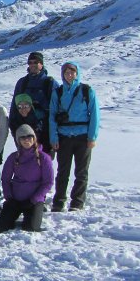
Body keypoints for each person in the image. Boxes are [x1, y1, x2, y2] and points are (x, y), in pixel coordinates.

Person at [49, 61, 100, 212]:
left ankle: (77, 202)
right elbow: (52, 115)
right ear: (63, 74)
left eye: (72, 72)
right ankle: (59, 201)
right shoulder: (58, 92)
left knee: (81, 171)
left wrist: (92, 137)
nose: (69, 75)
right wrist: (54, 138)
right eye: (66, 72)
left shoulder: (87, 91)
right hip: (64, 136)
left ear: (77, 73)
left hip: (82, 137)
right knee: (62, 171)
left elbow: (95, 115)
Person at [0, 125, 54, 233]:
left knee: (31, 228)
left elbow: (48, 182)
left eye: (29, 137)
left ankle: (32, 216)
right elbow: (5, 179)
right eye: (23, 137)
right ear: (18, 140)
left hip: (33, 201)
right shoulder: (13, 157)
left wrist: (34, 199)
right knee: (0, 228)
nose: (26, 140)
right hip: (15, 199)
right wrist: (9, 197)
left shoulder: (44, 158)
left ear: (34, 138)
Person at [10, 52, 59, 158]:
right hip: (25, 131)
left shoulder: (49, 83)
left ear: (41, 64)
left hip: (45, 130)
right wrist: (13, 127)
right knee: (26, 162)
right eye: (30, 62)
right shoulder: (22, 83)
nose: (32, 65)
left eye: (36, 62)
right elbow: (14, 106)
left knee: (45, 161)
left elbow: (57, 108)